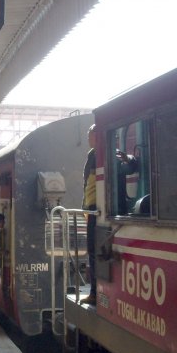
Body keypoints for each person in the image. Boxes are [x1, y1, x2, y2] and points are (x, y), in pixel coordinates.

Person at [81, 124, 97, 306]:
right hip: (91, 209)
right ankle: (94, 291)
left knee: (93, 253)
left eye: (90, 135)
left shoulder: (100, 155)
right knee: (92, 252)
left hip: (95, 209)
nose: (87, 138)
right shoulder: (93, 155)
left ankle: (95, 293)